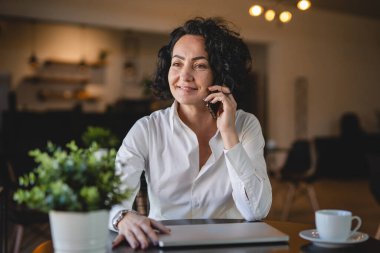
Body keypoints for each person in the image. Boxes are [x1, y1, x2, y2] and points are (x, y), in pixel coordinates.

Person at [110, 17, 272, 249]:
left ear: (220, 72)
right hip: (164, 245)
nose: (184, 75)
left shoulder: (246, 125)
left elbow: (256, 211)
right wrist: (123, 216)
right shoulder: (147, 129)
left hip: (227, 247)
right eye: (177, 63)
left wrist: (228, 134)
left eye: (200, 65)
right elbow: (111, 199)